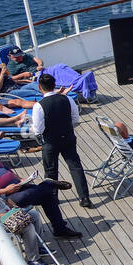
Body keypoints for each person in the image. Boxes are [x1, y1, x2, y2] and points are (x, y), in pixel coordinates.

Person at [0, 135, 80, 238]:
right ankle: (49, 184)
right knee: (44, 191)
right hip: (3, 199)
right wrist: (5, 190)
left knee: (47, 194)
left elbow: (8, 171)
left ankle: (60, 229)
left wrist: (21, 180)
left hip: (18, 187)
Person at [29, 73, 91, 209]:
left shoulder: (39, 106)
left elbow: (39, 130)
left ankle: (53, 199)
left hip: (50, 142)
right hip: (68, 137)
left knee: (50, 171)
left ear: (40, 87)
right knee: (75, 166)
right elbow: (75, 119)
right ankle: (84, 197)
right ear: (54, 85)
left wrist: (31, 128)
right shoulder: (67, 99)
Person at [0, 181, 51, 265]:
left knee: (34, 215)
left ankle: (38, 247)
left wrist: (6, 201)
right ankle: (33, 259)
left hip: (7, 213)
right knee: (27, 226)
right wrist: (0, 216)